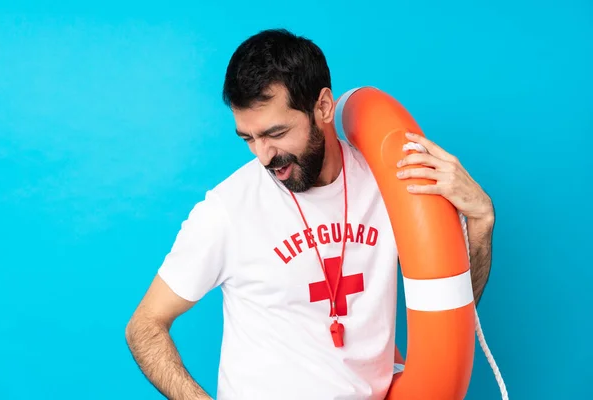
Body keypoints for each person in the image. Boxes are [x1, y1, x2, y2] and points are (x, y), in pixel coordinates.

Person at [125, 28, 495, 400]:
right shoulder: (226, 209)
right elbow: (145, 325)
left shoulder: (390, 185)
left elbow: (449, 316)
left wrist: (480, 223)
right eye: (248, 139)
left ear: (323, 107)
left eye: (276, 132)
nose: (264, 156)